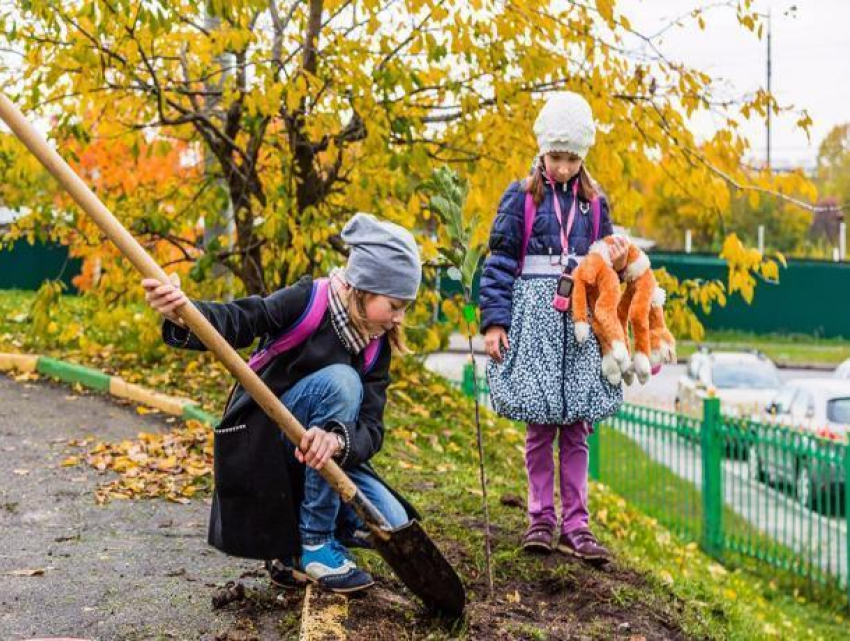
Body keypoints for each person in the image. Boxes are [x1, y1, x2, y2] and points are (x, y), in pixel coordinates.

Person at [142, 213, 421, 593]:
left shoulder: (375, 348)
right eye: (394, 305)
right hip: (263, 443)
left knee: (392, 521)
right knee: (342, 382)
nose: (398, 318)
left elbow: (372, 430)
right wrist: (182, 311)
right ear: (364, 287)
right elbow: (242, 319)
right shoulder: (310, 301)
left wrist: (338, 440)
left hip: (318, 456)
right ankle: (316, 542)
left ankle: (288, 555)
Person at [479, 92, 629, 562]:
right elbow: (500, 262)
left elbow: (607, 266)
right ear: (542, 151)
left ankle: (578, 525)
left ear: (582, 156)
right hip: (534, 321)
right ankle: (541, 518)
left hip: (580, 325)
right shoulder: (521, 196)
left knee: (578, 427)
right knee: (540, 426)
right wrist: (494, 321)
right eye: (555, 157)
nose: (562, 167)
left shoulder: (594, 202)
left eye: (571, 158)